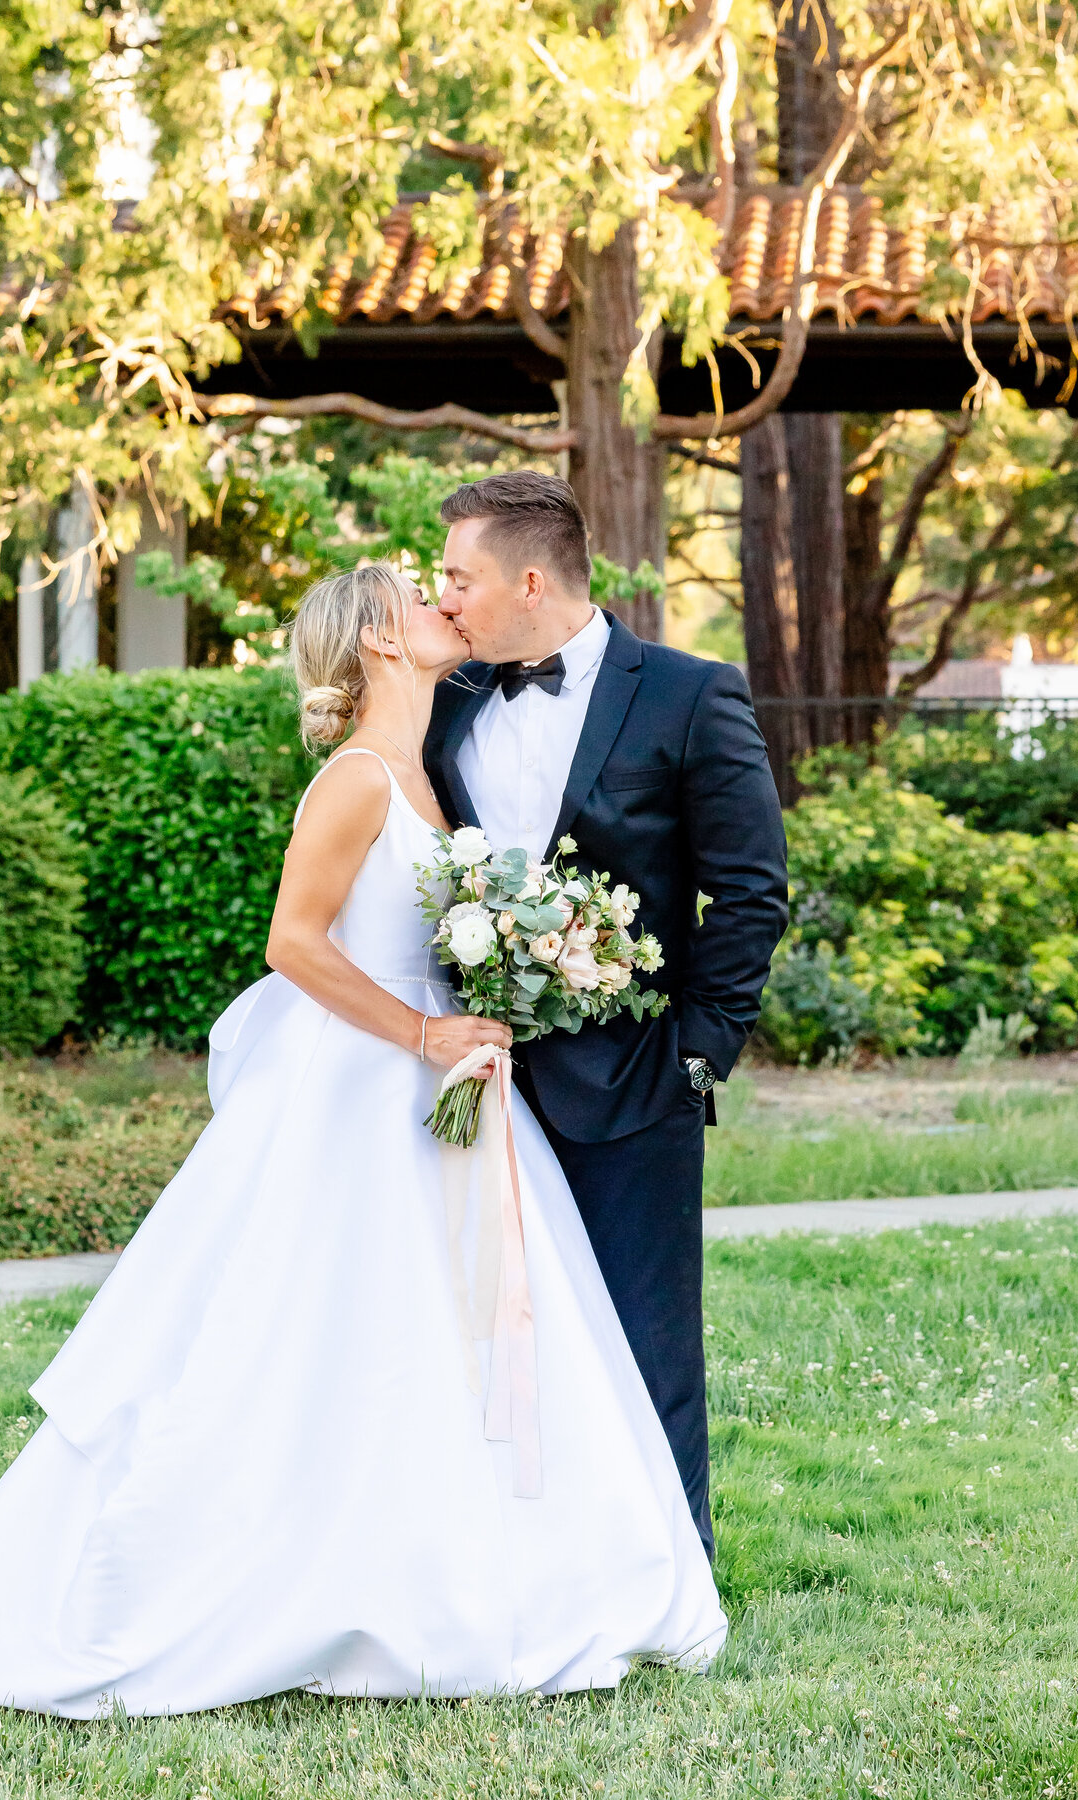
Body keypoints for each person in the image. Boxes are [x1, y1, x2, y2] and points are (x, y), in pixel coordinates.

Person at [0, 563, 727, 1717]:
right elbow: (294, 943)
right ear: (381, 641)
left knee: (449, 1343)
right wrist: (426, 1031)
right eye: (420, 599)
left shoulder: (433, 775)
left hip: (453, 1098)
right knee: (324, 1339)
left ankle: (462, 1572)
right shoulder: (357, 780)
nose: (446, 606)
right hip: (361, 1091)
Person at [425, 473, 789, 1560]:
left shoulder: (688, 693)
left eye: (459, 576)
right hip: (473, 1084)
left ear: (529, 580)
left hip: (635, 1082)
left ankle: (675, 1578)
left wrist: (698, 1055)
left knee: (644, 1341)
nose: (443, 599)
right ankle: (523, 1565)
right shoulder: (445, 703)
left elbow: (751, 888)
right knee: (484, 1338)